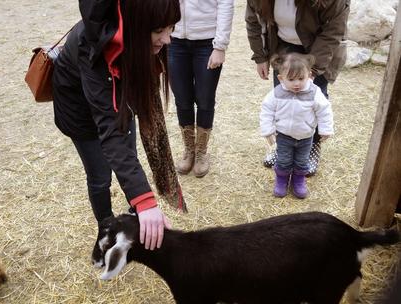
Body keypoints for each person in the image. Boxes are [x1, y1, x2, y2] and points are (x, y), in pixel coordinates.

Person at [52, 0, 181, 250]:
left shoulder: (132, 32)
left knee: (128, 154)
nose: (167, 40)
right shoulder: (94, 49)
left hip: (115, 96)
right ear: (132, 26)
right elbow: (111, 133)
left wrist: (145, 206)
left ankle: (137, 216)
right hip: (79, 112)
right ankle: (106, 229)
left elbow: (120, 140)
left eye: (171, 28)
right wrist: (146, 202)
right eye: (158, 31)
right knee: (100, 175)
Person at [246, 0, 349, 176]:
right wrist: (260, 56)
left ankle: (312, 145)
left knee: (313, 99)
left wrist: (312, 70)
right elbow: (254, 20)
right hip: (283, 46)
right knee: (283, 98)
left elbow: (332, 31)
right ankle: (283, 147)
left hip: (318, 48)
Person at [168, 0, 234, 178]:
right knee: (182, 98)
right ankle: (189, 149)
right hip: (174, 40)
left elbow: (226, 4)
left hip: (207, 42)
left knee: (205, 98)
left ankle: (201, 151)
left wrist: (220, 46)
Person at [260, 52, 334, 198]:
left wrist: (325, 129)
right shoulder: (277, 93)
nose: (297, 83)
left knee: (302, 161)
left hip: (306, 137)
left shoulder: (314, 92)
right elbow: (267, 110)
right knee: (284, 160)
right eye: (291, 79)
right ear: (281, 78)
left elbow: (324, 110)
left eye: (301, 78)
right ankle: (281, 181)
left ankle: (298, 181)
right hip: (284, 136)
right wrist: (268, 130)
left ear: (309, 75)